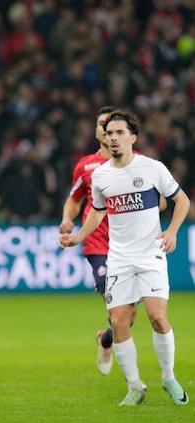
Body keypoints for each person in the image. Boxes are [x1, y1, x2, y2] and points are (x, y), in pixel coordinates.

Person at [59, 109, 190, 406]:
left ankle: (168, 377)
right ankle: (134, 387)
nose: (113, 137)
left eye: (119, 133)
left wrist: (172, 231)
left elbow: (181, 199)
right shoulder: (101, 175)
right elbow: (97, 212)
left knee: (157, 317)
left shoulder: (152, 168)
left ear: (133, 137)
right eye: (109, 133)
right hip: (118, 258)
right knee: (119, 322)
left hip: (150, 255)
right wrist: (78, 236)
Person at [59, 106, 118, 375]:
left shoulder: (138, 163)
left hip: (128, 242)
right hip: (97, 241)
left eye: (110, 124)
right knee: (113, 297)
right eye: (100, 124)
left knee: (126, 315)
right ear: (97, 132)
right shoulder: (86, 165)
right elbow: (74, 199)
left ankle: (106, 338)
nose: (104, 129)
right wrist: (67, 220)